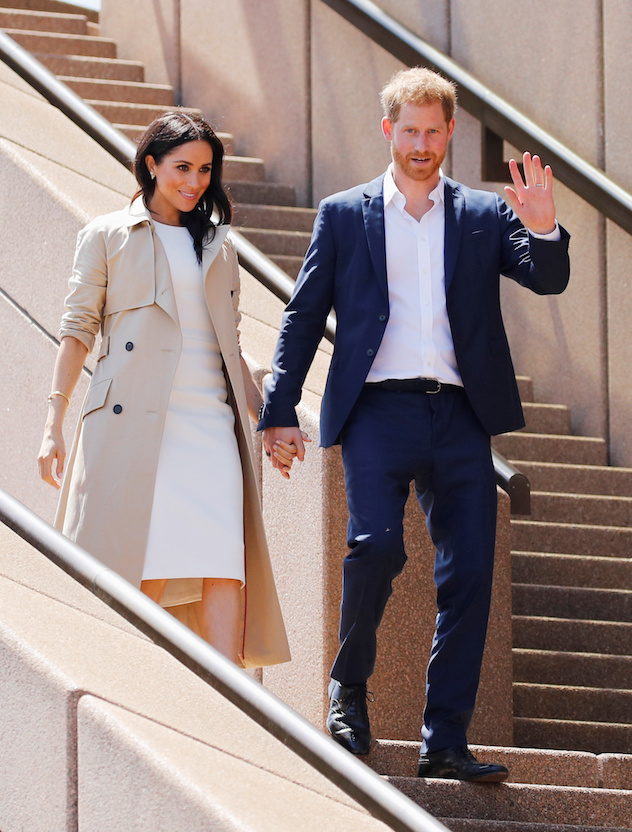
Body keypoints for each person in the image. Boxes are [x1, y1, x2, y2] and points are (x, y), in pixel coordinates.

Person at [259, 67, 570, 781]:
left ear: (451, 132)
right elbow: (304, 317)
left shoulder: (483, 216)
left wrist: (545, 224)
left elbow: (547, 278)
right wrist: (280, 409)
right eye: (410, 131)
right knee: (373, 546)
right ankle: (349, 687)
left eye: (434, 131)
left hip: (461, 414)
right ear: (388, 131)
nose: (421, 144)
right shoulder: (344, 214)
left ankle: (446, 738)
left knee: (469, 575)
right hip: (378, 408)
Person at [38, 111, 293, 669]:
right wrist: (54, 422)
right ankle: (128, 686)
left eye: (205, 170)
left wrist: (269, 415)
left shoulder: (220, 248)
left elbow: (230, 346)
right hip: (135, 429)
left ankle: (236, 711)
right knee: (140, 572)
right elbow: (77, 328)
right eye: (182, 167)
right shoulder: (107, 235)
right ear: (151, 164)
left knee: (224, 567)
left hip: (210, 429)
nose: (194, 182)